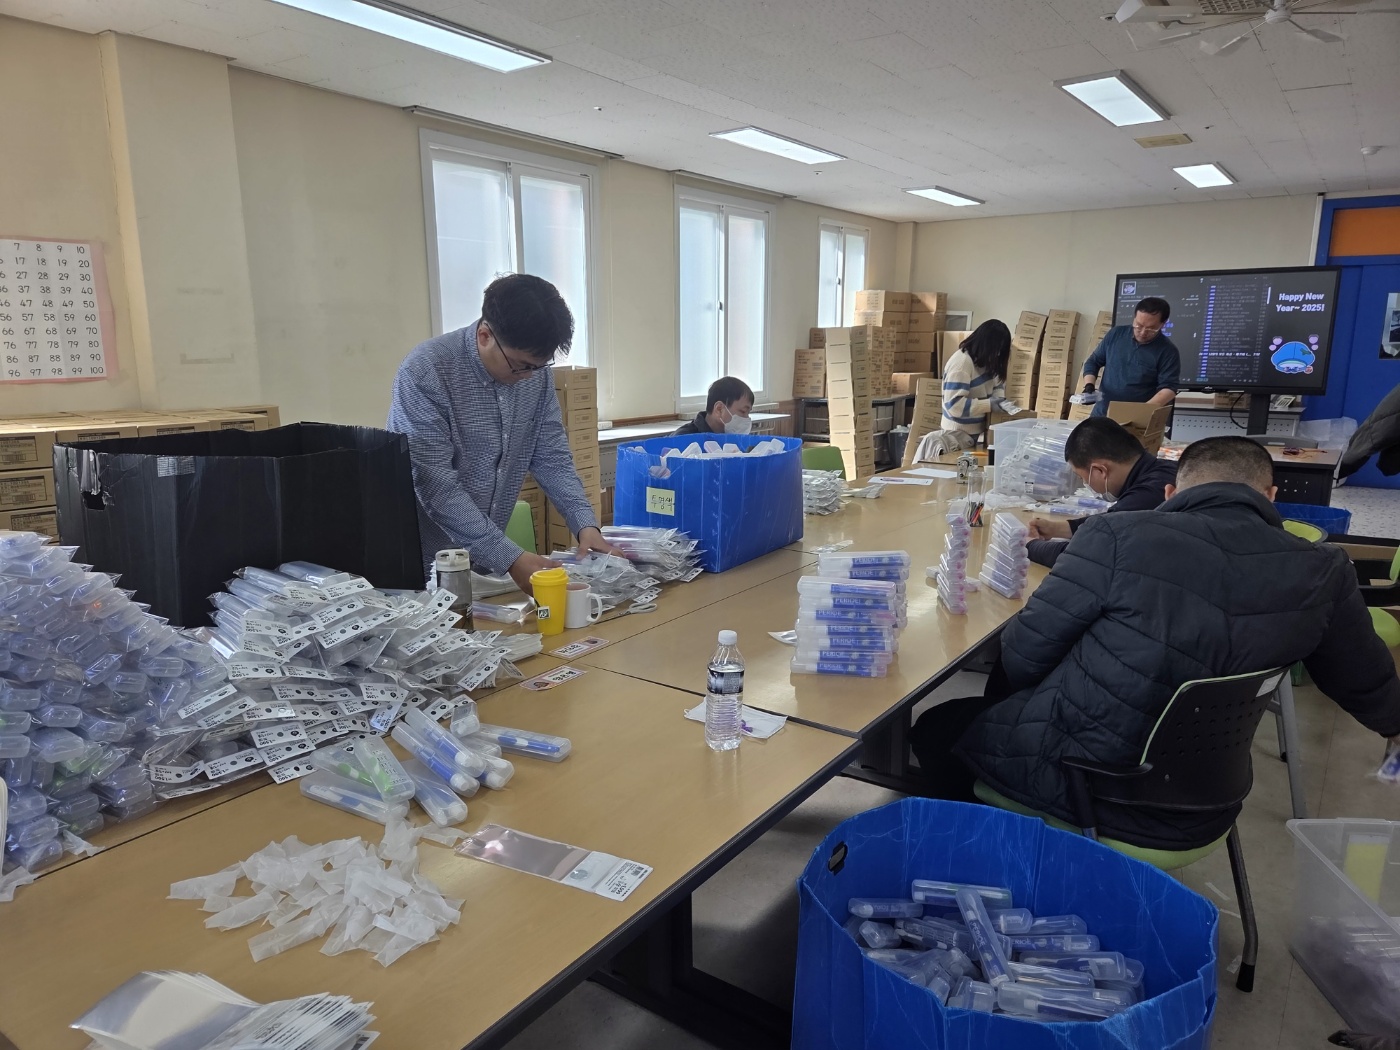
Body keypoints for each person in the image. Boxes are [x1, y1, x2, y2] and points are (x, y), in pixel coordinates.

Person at [911, 436, 1400, 851]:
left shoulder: (1115, 535)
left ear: (1171, 492)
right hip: (1212, 796)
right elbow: (1365, 680)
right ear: (1270, 496)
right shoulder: (1324, 569)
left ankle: (992, 860)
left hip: (1091, 786)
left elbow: (1022, 657)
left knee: (938, 725)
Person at [388, 274, 621, 595]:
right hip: (424, 565)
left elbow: (552, 457)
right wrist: (509, 557)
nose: (528, 377)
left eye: (539, 366)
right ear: (485, 335)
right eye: (520, 366)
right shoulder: (426, 372)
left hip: (485, 563)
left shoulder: (534, 375)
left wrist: (585, 524)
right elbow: (436, 487)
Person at [1025, 417, 1178, 568]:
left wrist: (1030, 545)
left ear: (1100, 470)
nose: (1085, 483)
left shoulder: (1144, 497)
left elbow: (1084, 554)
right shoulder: (1165, 470)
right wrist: (1057, 528)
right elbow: (1107, 523)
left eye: (1082, 477)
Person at [911, 320, 1012, 461]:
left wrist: (1000, 400)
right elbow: (954, 406)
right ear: (986, 345)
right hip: (955, 437)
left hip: (976, 437)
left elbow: (997, 385)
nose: (998, 354)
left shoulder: (989, 361)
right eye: (996, 350)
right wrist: (989, 404)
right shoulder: (962, 363)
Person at [1080, 296, 1180, 417]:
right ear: (1134, 318)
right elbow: (1093, 361)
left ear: (1162, 324)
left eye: (1151, 329)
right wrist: (1089, 385)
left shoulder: (1168, 351)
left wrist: (1142, 411)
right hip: (1102, 414)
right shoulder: (1116, 334)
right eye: (1139, 325)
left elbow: (1168, 389)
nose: (1143, 332)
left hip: (1136, 418)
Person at [673, 377, 754, 437]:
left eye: (748, 413)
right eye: (743, 411)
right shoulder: (684, 439)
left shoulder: (734, 438)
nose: (746, 419)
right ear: (719, 409)